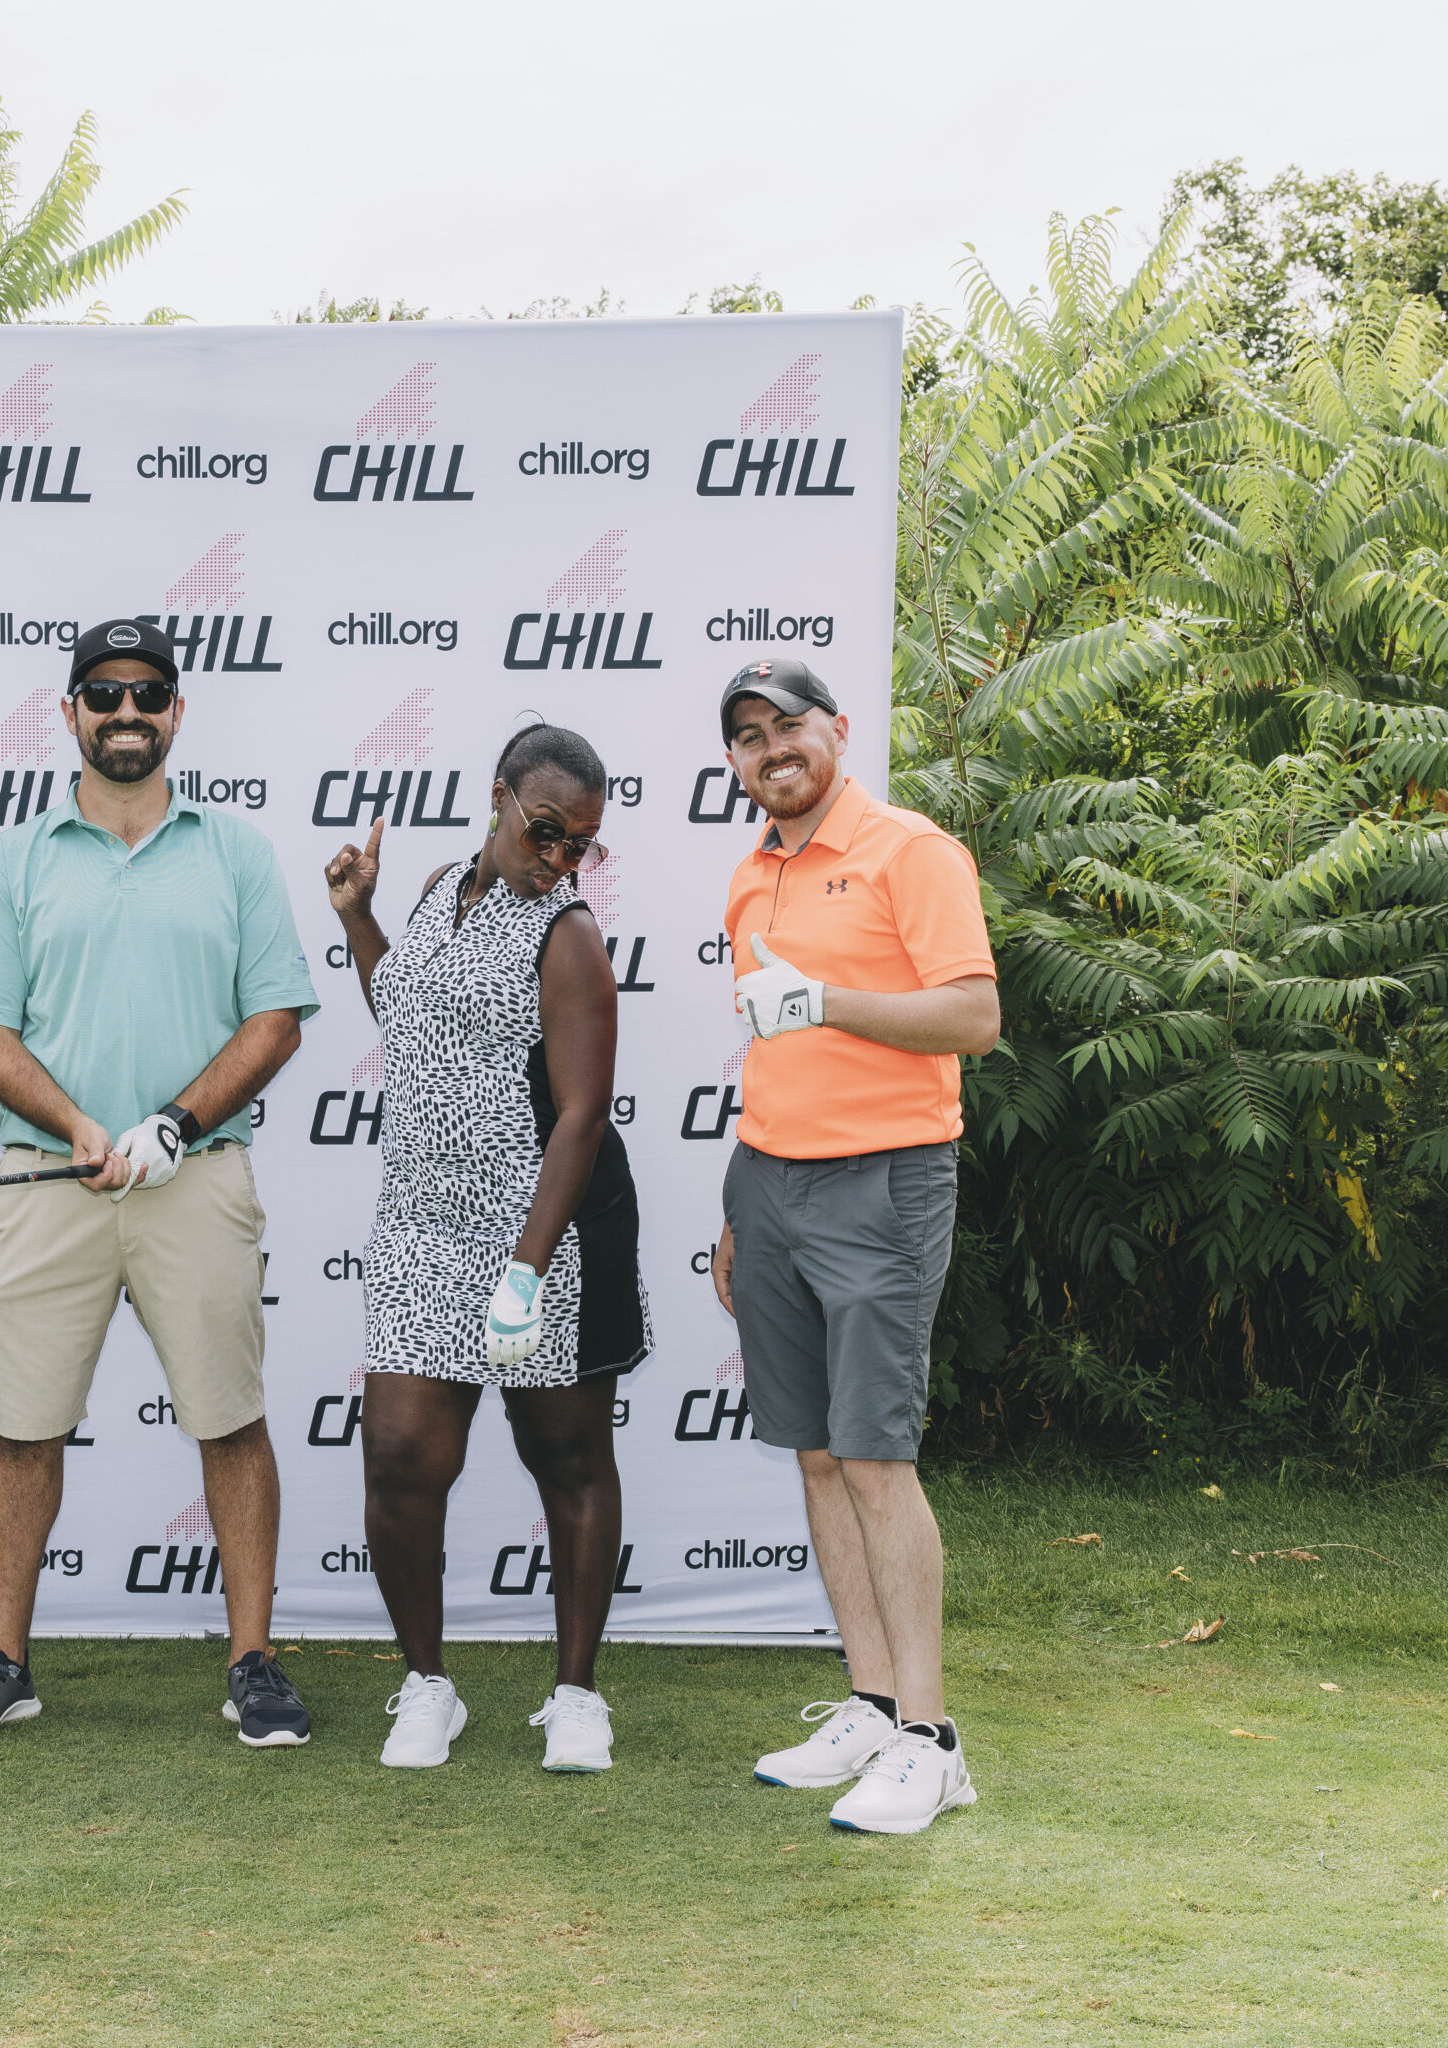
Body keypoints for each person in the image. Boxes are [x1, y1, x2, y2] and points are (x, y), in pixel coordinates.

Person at [0, 619, 320, 1749]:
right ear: (71, 715)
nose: (126, 712)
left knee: (230, 1418)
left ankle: (253, 1658)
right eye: (103, 694)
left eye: (148, 692)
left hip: (195, 1175)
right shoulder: (17, 857)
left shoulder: (234, 850)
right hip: (51, 1177)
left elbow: (276, 1016)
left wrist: (173, 1122)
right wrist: (82, 1125)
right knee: (27, 1424)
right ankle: (5, 1658)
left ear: (178, 711)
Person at [708, 656, 999, 1834]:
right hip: (770, 1181)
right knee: (819, 1454)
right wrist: (739, 1207)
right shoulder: (750, 872)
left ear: (836, 729)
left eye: (786, 725)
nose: (769, 747)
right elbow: (770, 1053)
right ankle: (872, 1704)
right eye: (744, 735)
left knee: (876, 1457)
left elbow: (973, 1016)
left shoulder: (909, 851)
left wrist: (826, 997)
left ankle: (932, 1740)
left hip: (884, 1182)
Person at [323, 722, 649, 1773]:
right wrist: (359, 917)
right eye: (546, 831)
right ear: (499, 797)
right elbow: (410, 1013)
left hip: (541, 1225)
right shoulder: (431, 889)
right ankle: (427, 1685)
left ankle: (576, 1693)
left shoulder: (569, 933)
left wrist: (525, 1268)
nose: (558, 858)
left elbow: (582, 1112)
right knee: (401, 1457)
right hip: (421, 1219)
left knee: (566, 1456)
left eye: (580, 845)